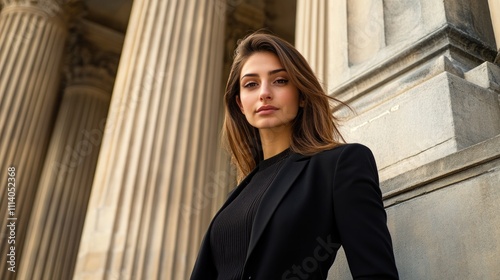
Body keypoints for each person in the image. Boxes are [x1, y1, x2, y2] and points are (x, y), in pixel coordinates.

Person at [190, 32, 399, 280]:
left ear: (301, 95)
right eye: (251, 84)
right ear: (240, 104)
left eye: (279, 81)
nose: (264, 93)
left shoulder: (340, 164)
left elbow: (376, 274)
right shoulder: (239, 193)